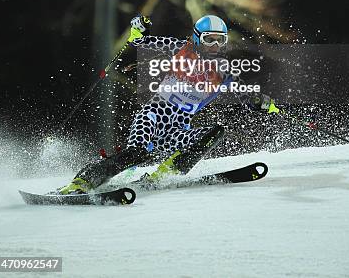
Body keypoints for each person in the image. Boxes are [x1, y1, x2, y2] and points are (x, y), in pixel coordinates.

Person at [58, 14, 278, 194]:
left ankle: (167, 172)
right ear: (197, 38)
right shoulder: (181, 48)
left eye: (220, 40)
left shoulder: (225, 72)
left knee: (216, 132)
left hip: (178, 129)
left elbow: (247, 98)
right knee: (137, 153)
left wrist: (262, 102)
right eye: (209, 39)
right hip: (154, 115)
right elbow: (141, 41)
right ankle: (83, 181)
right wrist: (138, 29)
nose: (215, 45)